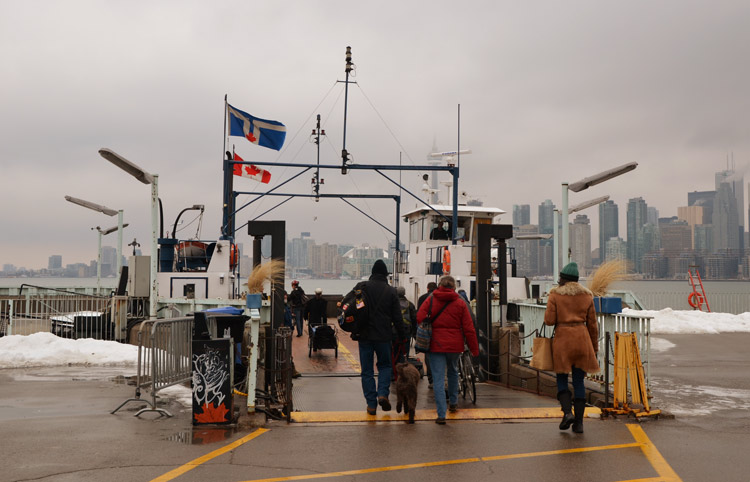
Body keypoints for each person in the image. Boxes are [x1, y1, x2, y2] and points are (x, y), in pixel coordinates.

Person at [344, 259, 406, 415]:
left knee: (366, 370)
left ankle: (371, 404)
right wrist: (403, 336)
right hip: (384, 336)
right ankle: (383, 394)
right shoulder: (391, 291)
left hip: (364, 335)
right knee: (385, 366)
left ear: (372, 273)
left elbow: (346, 303)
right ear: (385, 274)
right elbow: (398, 318)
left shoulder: (361, 287)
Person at [544, 262, 599, 434]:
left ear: (563, 279)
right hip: (582, 339)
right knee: (578, 381)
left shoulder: (555, 295)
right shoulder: (587, 296)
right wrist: (594, 348)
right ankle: (579, 424)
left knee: (561, 377)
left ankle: (567, 413)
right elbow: (593, 325)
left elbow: (549, 321)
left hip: (563, 339)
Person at [417, 275, 479, 424]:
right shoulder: (460, 302)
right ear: (453, 287)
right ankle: (453, 403)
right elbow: (469, 328)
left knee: (438, 378)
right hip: (455, 346)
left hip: (436, 344)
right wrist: (474, 349)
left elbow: (419, 317)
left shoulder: (431, 299)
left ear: (440, 285)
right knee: (453, 371)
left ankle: (441, 414)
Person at [417, 282, 438, 388]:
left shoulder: (422, 298)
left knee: (428, 355)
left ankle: (431, 380)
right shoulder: (442, 298)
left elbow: (419, 317)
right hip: (442, 334)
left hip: (427, 331)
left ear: (427, 288)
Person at [394, 286, 417, 364]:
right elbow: (414, 319)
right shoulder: (410, 304)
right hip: (406, 332)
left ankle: (394, 372)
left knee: (394, 353)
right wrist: (414, 334)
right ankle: (403, 371)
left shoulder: (392, 303)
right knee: (404, 353)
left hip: (394, 332)